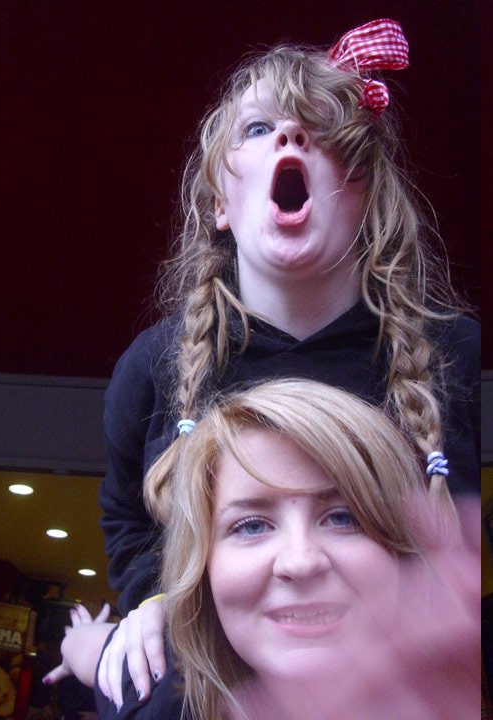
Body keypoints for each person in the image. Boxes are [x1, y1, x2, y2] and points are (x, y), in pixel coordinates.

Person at [98, 18, 480, 710]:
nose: (291, 136)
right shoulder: (153, 367)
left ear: (361, 192)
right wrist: (153, 598)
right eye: (257, 128)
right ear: (221, 201)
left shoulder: (452, 356)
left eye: (323, 130)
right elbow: (124, 510)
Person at [48, 379, 479, 719]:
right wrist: (76, 640)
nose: (300, 561)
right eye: (251, 526)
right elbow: (89, 650)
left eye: (343, 518)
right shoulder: (155, 690)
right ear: (203, 571)